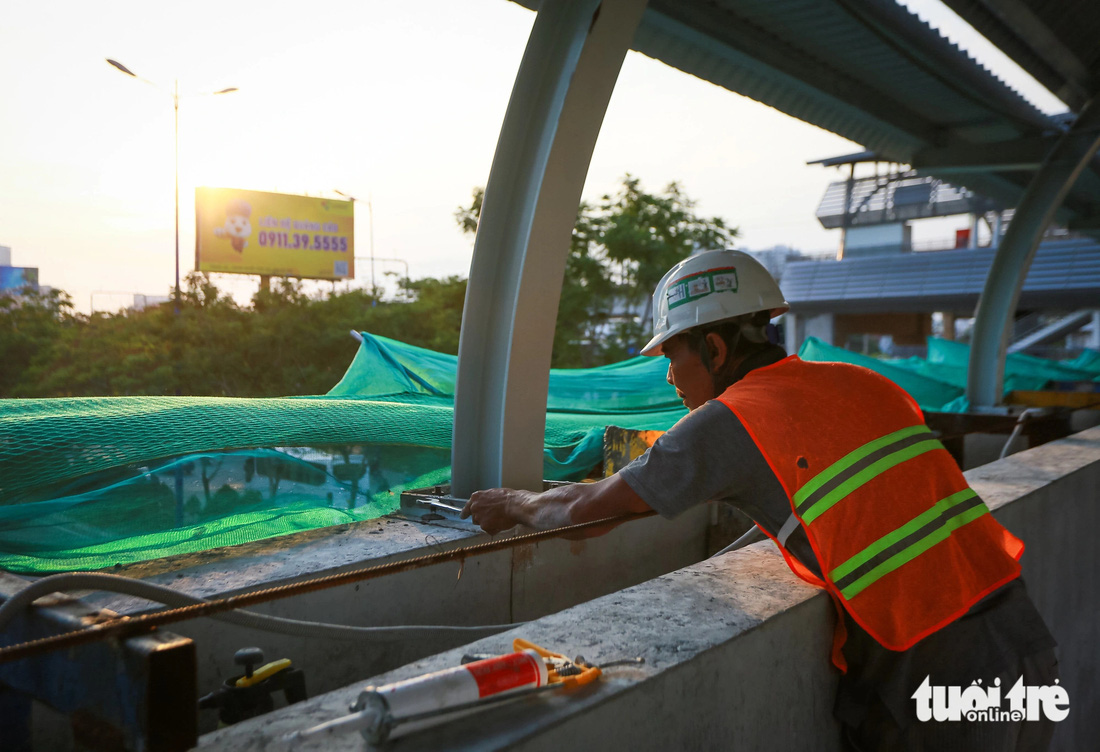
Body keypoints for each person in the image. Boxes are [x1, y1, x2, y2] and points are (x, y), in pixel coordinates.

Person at [461, 249, 1059, 751]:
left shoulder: (729, 422)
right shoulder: (866, 384)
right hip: (1021, 635)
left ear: (716, 349)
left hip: (932, 670)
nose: (669, 377)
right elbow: (845, 505)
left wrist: (512, 502)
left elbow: (583, 513)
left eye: (673, 354)